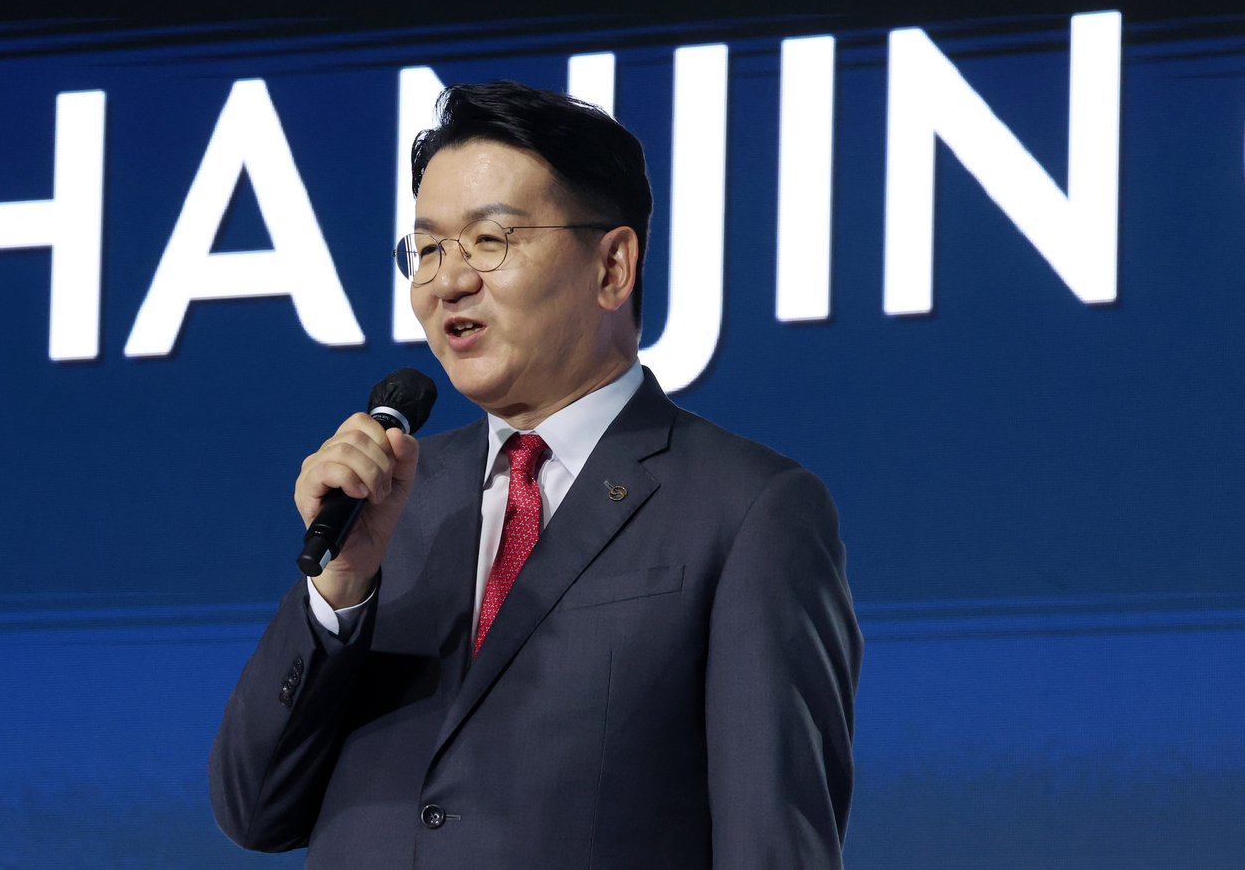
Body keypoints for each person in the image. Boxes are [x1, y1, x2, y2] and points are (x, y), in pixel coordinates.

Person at [209, 80, 862, 869]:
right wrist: (339, 591)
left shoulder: (747, 509)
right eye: (428, 248)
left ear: (612, 266)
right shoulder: (390, 499)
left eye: (490, 241)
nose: (448, 280)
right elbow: (254, 812)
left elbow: (770, 844)